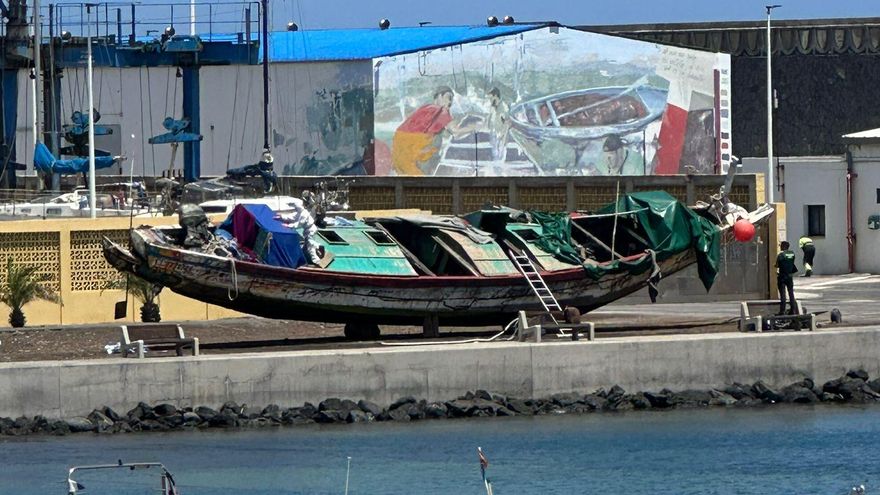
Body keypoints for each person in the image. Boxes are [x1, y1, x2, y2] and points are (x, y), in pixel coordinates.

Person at [391, 86, 477, 175]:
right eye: (449, 97)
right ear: (439, 96)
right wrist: (474, 127)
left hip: (399, 152)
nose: (450, 102)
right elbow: (455, 131)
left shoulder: (426, 108)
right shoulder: (440, 110)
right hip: (414, 153)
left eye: (452, 99)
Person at [486, 87, 510, 161]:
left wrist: (502, 134)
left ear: (496, 96)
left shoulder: (503, 107)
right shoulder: (492, 107)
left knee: (500, 157)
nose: (490, 100)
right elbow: (490, 119)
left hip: (501, 136)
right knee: (494, 156)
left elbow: (506, 123)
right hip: (493, 134)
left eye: (491, 98)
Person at [775, 241, 798, 315]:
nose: (780, 247)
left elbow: (777, 265)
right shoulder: (792, 254)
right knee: (791, 293)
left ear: (784, 246)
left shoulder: (781, 255)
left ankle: (782, 311)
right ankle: (793, 309)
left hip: (782, 276)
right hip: (790, 276)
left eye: (781, 245)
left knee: (783, 294)